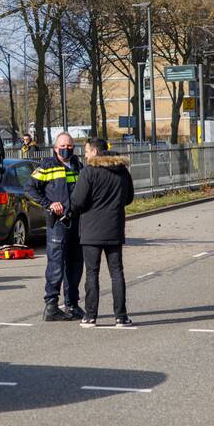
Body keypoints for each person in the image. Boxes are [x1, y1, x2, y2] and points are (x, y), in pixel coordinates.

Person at [71, 138, 134, 327]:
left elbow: (77, 201)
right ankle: (121, 316)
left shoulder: (89, 171)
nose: (85, 155)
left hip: (91, 230)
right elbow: (129, 198)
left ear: (96, 152)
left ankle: (90, 316)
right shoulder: (122, 170)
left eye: (87, 151)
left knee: (92, 273)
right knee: (117, 272)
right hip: (114, 227)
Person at [27, 132, 85, 321]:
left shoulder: (77, 165)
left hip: (76, 222)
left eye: (69, 146)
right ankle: (51, 305)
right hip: (57, 223)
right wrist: (48, 204)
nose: (66, 149)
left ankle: (72, 304)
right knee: (56, 264)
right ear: (55, 147)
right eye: (62, 146)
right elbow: (29, 188)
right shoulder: (47, 165)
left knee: (75, 264)